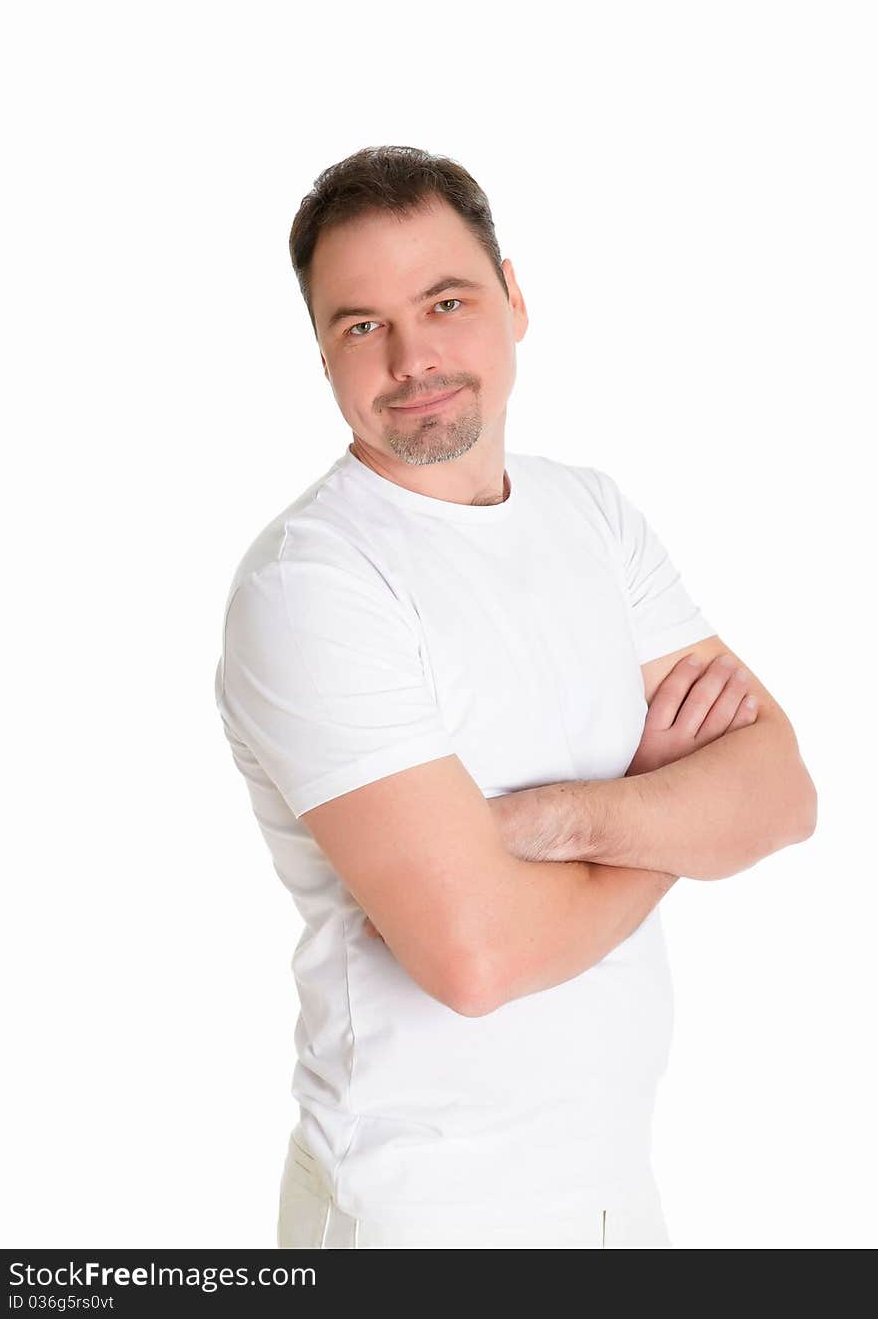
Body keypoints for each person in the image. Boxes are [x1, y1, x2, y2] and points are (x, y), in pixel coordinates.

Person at [213, 144, 817, 1250]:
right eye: (361, 325)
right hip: (421, 1214)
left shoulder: (589, 513)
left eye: (445, 300)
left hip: (615, 1190)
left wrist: (565, 818)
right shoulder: (315, 582)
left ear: (514, 299)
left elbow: (779, 793)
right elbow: (474, 960)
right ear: (322, 356)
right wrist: (678, 809)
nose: (411, 355)